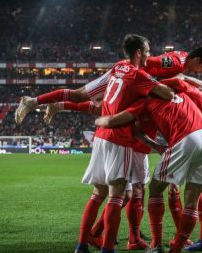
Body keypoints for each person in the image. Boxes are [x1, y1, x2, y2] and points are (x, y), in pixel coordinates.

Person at [95, 79, 202, 253]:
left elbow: (127, 122)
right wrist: (197, 82)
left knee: (156, 188)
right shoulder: (177, 90)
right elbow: (182, 77)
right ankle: (183, 247)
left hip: (186, 138)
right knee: (193, 196)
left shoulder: (143, 99)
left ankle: (156, 245)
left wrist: (103, 121)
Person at [74, 34, 174, 253]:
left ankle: (81, 244)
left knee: (97, 193)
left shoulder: (118, 67)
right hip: (120, 140)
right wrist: (159, 83)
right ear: (138, 53)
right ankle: (107, 248)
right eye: (147, 51)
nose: (149, 54)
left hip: (100, 136)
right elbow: (167, 93)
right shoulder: (140, 76)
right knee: (116, 196)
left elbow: (90, 94)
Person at [14, 47, 202, 125]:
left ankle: (58, 105)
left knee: (104, 109)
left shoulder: (181, 58)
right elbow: (149, 61)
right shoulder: (175, 62)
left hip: (135, 82)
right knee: (78, 95)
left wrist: (189, 79)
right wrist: (131, 71)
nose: (201, 72)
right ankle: (32, 101)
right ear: (197, 59)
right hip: (125, 74)